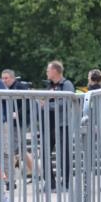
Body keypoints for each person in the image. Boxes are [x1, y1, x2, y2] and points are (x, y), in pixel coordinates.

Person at [45, 60, 75, 192]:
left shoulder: (67, 84)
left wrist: (46, 105)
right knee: (45, 153)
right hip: (49, 124)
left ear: (55, 71)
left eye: (48, 70)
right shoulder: (49, 85)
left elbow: (65, 102)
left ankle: (67, 183)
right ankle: (51, 183)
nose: (46, 72)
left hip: (63, 124)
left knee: (64, 154)